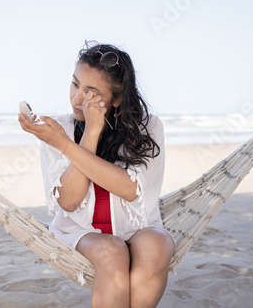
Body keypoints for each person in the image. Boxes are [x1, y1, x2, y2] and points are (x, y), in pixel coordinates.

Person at [18, 40, 175, 308]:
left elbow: (129, 188)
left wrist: (65, 146)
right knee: (111, 251)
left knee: (157, 245)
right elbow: (68, 201)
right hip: (80, 232)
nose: (77, 98)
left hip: (137, 228)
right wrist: (89, 132)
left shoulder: (147, 127)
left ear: (117, 97)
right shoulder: (60, 129)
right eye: (75, 84)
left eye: (91, 92)